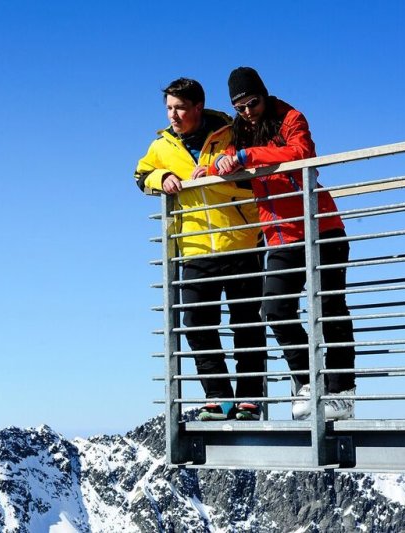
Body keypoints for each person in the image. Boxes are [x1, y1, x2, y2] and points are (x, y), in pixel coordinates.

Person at [214, 67, 356, 420]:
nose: (248, 111)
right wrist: (216, 165)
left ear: (264, 95)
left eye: (253, 102)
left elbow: (301, 153)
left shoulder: (290, 117)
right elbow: (225, 159)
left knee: (330, 307)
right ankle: (308, 380)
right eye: (239, 107)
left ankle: (342, 392)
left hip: (321, 227)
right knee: (275, 309)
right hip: (279, 236)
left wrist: (247, 157)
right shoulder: (239, 131)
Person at [135, 77, 267, 421]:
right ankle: (219, 397)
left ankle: (251, 398)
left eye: (180, 108)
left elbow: (260, 169)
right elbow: (140, 175)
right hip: (194, 246)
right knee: (195, 322)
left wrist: (225, 169)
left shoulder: (233, 131)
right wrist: (162, 178)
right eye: (169, 108)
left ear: (198, 106)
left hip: (241, 239)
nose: (173, 115)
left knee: (246, 322)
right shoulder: (161, 145)